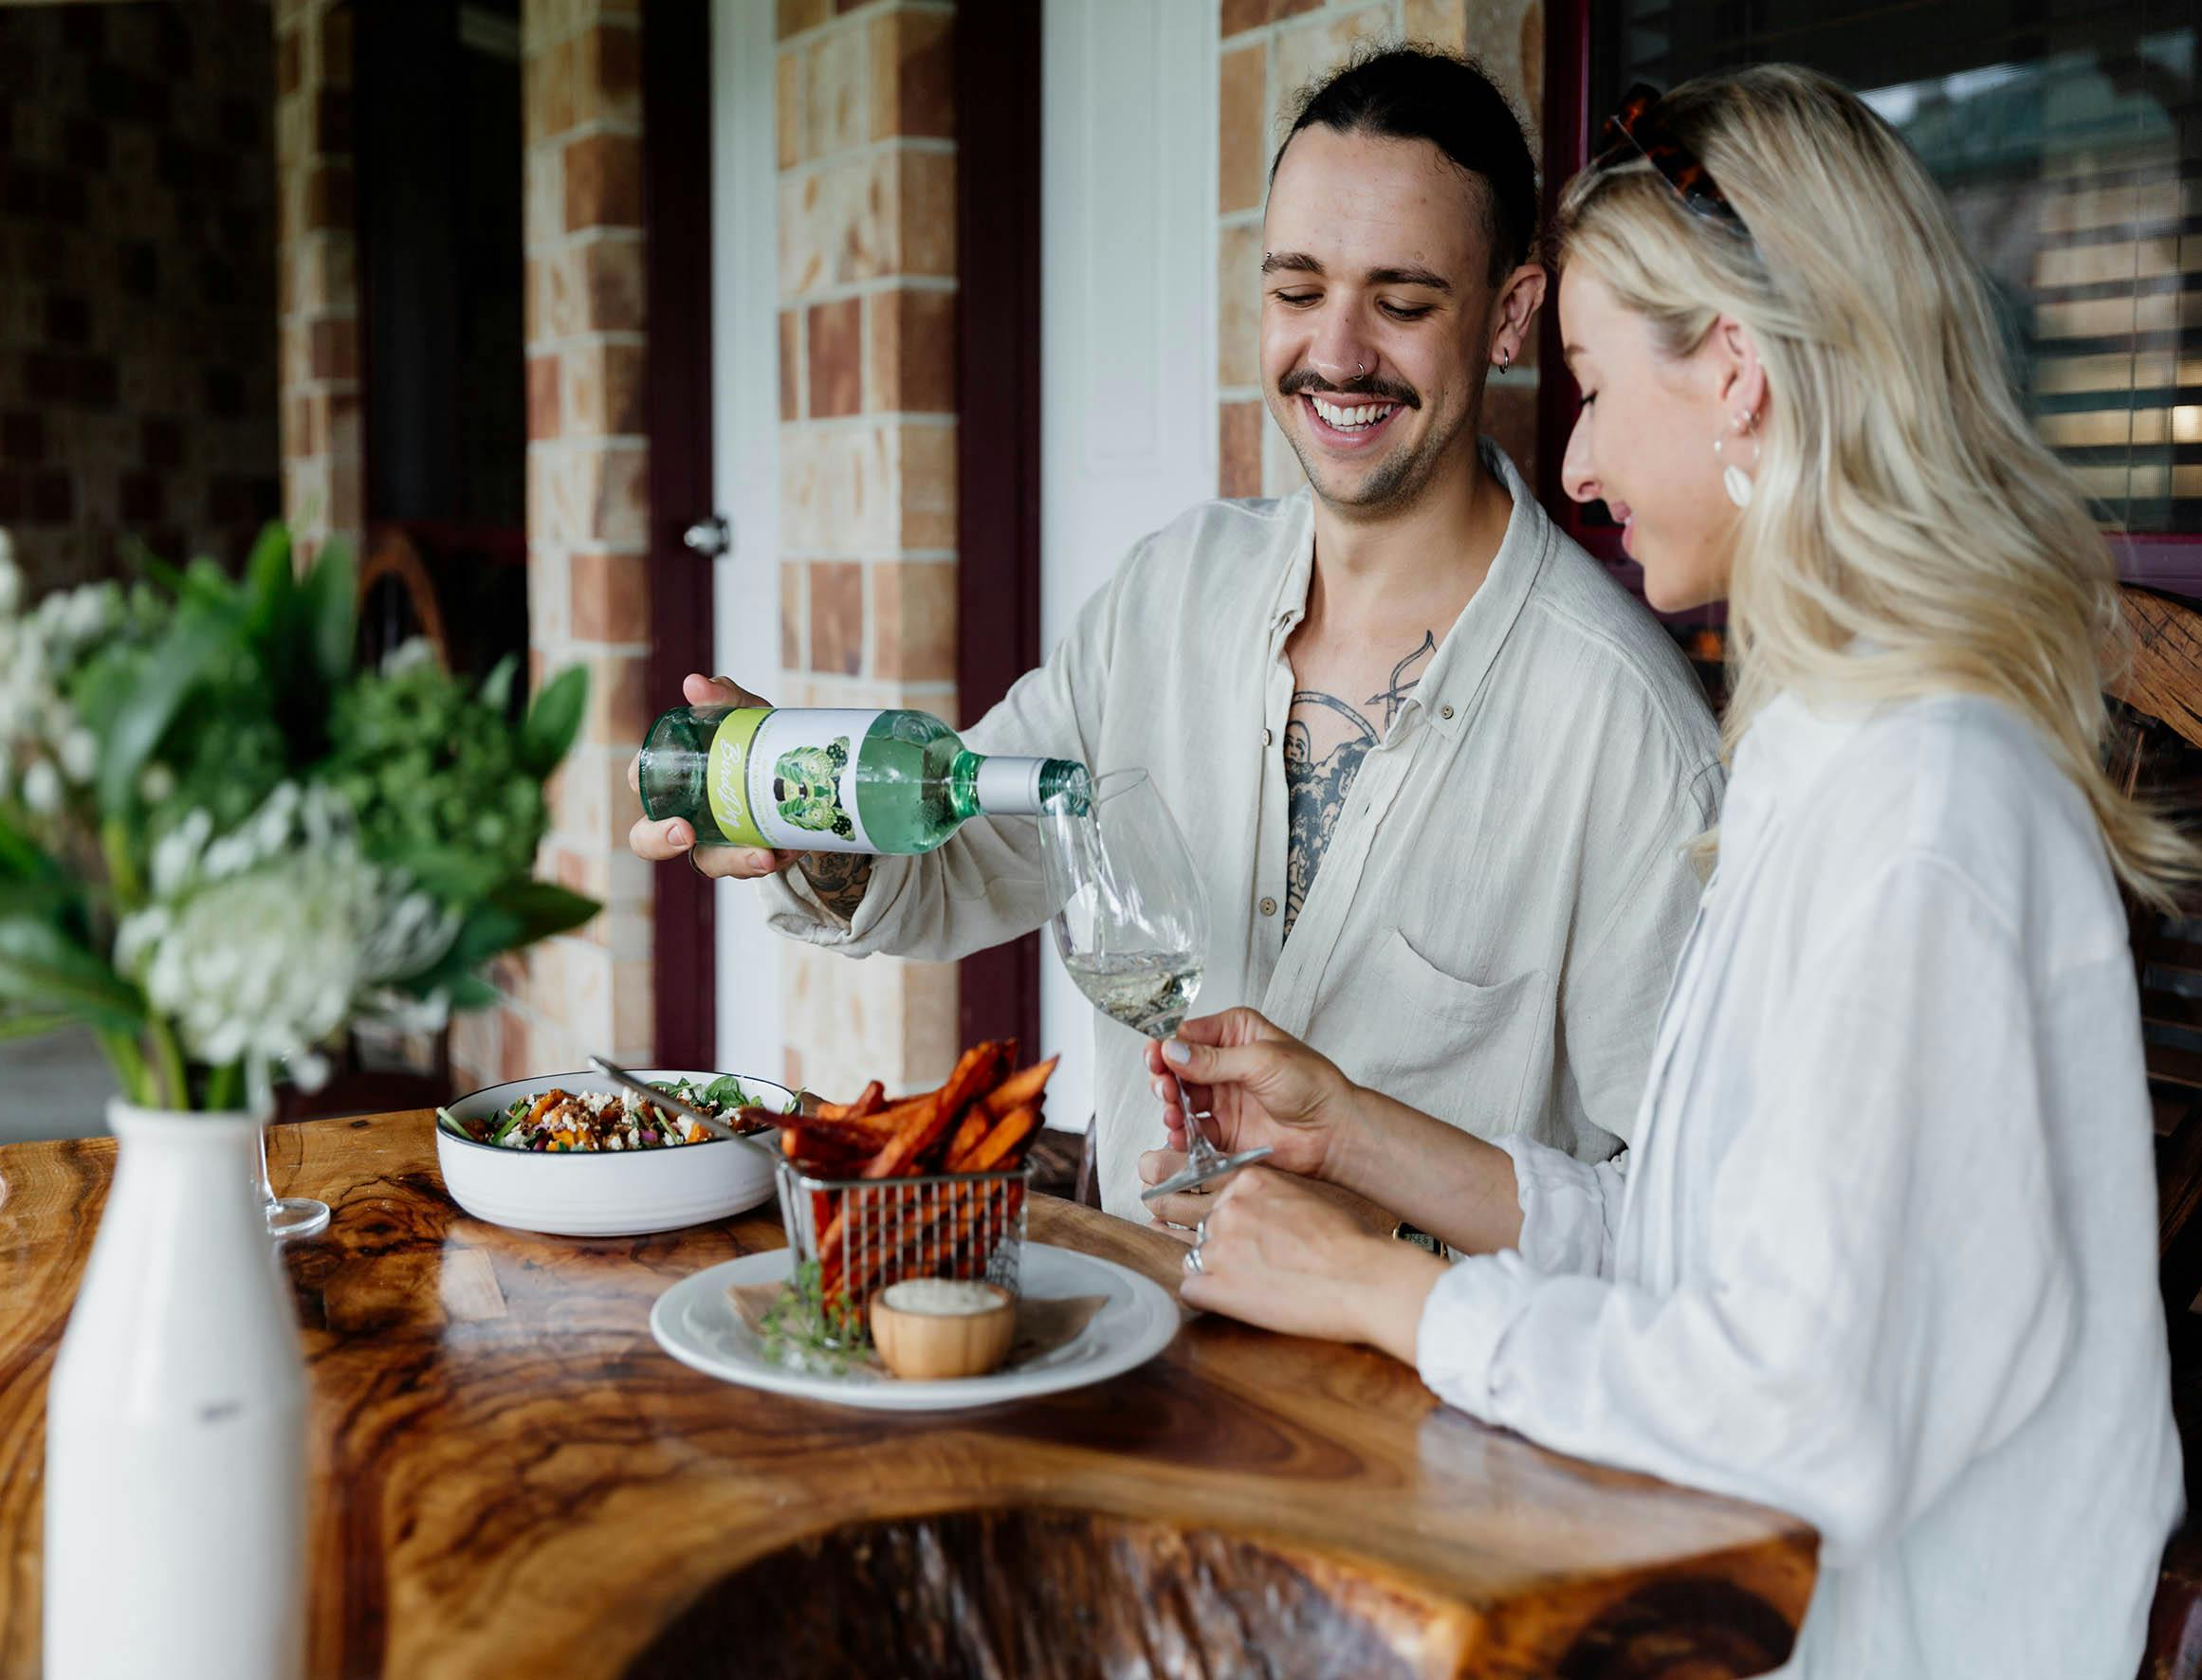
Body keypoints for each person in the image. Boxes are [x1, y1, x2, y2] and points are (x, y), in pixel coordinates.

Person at [1142, 64, 2185, 1677]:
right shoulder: (1822, 751)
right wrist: (1352, 1129)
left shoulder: (1927, 816)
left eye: (1594, 385)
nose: (1573, 467)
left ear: (1739, 376)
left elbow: (1796, 1410)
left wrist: (1384, 1296)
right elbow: (1696, 1246)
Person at [633, 47, 1721, 1226]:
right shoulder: (1169, 590)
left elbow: (1672, 1208)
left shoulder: (1630, 729)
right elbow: (959, 858)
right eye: (1297, 292)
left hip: (1411, 1398)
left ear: (1510, 313)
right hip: (1132, 1349)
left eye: (1401, 303)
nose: (1338, 353)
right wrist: (801, 822)